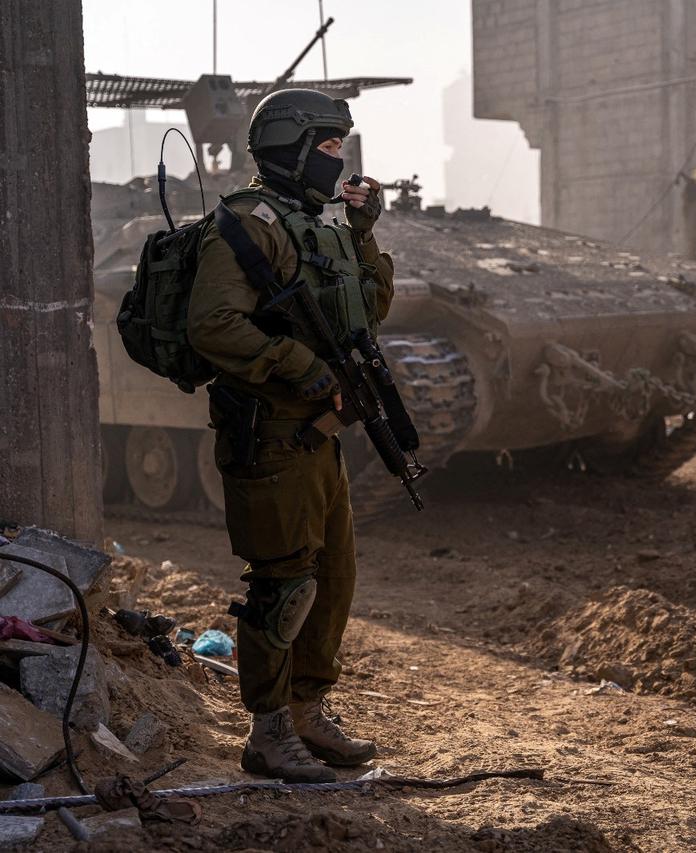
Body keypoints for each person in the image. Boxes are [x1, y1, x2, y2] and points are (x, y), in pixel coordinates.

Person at [187, 88, 393, 783]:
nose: (343, 160)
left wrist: (364, 231)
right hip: (270, 435)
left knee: (334, 578)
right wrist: (299, 365)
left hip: (319, 436)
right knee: (284, 586)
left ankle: (307, 711)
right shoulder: (250, 225)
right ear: (294, 149)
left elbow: (370, 309)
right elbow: (212, 324)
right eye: (332, 147)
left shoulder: (320, 223)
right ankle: (269, 730)